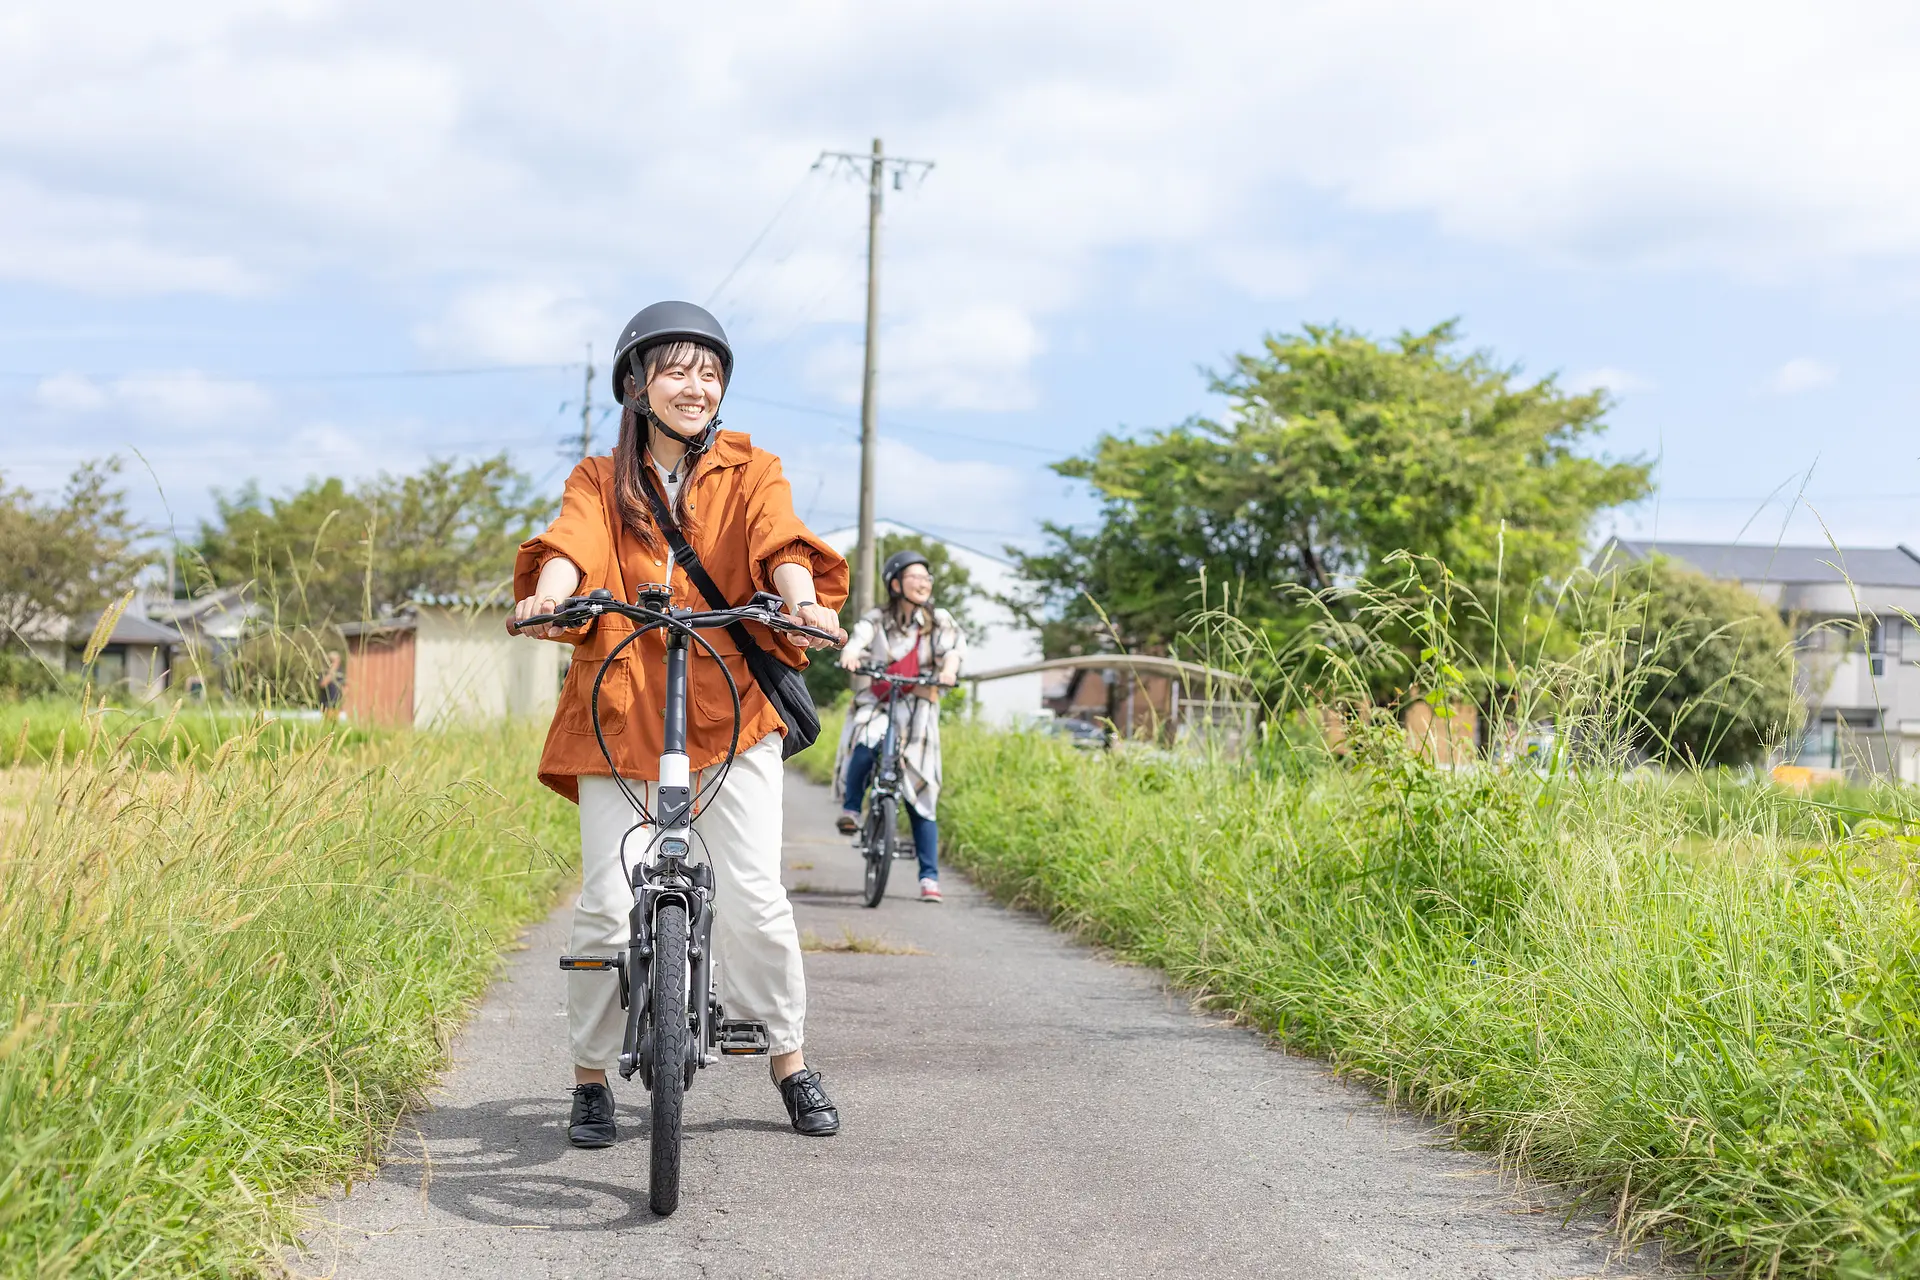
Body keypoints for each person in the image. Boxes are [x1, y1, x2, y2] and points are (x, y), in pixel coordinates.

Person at [509, 301, 849, 1149]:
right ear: (637, 384)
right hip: (619, 703)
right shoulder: (599, 478)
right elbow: (572, 543)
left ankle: (789, 1060)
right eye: (676, 370)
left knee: (756, 899)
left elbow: (782, 546)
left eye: (709, 372)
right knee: (599, 904)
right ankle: (589, 1078)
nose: (695, 386)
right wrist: (553, 592)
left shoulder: (752, 468)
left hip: (729, 703)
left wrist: (801, 605)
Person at [832, 549, 964, 902]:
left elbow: (952, 649)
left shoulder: (938, 620)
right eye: (915, 577)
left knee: (921, 787)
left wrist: (948, 670)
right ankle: (851, 807)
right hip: (878, 700)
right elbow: (859, 636)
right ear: (895, 583)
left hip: (918, 706)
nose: (923, 584)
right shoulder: (878, 619)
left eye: (927, 578)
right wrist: (851, 652)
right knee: (864, 737)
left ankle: (929, 878)